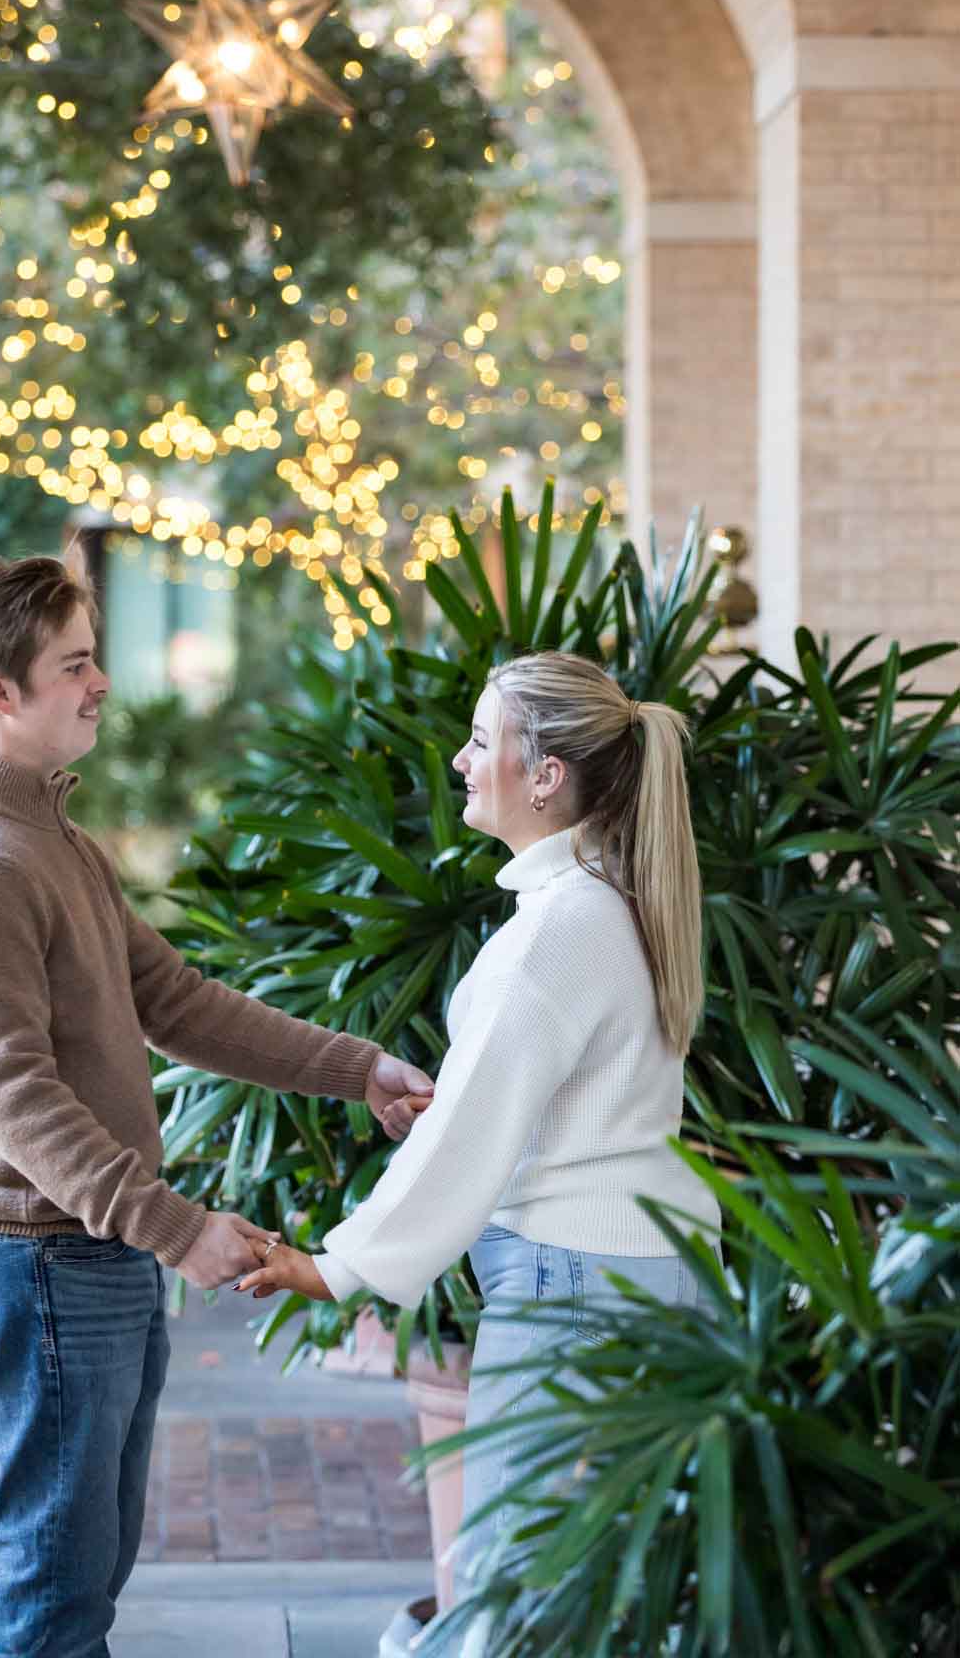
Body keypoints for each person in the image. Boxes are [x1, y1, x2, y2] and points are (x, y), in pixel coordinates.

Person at [0, 553, 433, 1658]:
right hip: (26, 1254)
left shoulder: (52, 837)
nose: (100, 683)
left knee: (86, 1571)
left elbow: (170, 997)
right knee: (53, 1590)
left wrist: (356, 1065)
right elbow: (15, 1103)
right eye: (75, 663)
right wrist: (179, 1229)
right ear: (2, 690)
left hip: (79, 1251)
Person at [237, 650, 722, 1615]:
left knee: (515, 1579)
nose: (461, 762)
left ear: (545, 776)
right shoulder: (610, 899)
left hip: (573, 1283)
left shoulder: (555, 927)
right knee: (614, 1588)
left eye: (478, 740)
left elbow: (471, 1135)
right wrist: (467, 1099)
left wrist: (333, 1267)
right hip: (648, 1266)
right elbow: (555, 1099)